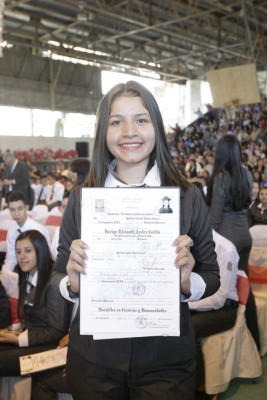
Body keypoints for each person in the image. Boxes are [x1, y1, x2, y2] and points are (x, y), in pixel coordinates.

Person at [53, 81, 220, 400]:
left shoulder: (187, 196)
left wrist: (188, 283)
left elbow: (211, 277)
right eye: (117, 122)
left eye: (141, 119)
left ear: (156, 127)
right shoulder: (82, 199)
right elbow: (59, 275)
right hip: (94, 361)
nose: (130, 131)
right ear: (104, 131)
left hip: (166, 362)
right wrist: (72, 284)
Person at [205, 134, 261, 351]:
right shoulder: (246, 174)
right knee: (245, 290)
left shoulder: (221, 177)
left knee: (228, 294)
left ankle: (235, 348)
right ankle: (254, 342)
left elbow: (215, 218)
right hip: (244, 238)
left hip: (227, 241)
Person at [0, 230, 69, 376]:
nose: (22, 256)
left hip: (49, 347)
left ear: (40, 250)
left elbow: (56, 331)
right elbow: (28, 317)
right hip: (31, 339)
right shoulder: (25, 276)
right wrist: (13, 333)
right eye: (18, 252)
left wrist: (19, 339)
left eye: (27, 251)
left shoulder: (54, 281)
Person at [1, 191, 51, 272]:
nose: (16, 213)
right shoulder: (11, 230)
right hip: (20, 270)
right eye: (12, 210)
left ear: (26, 208)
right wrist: (5, 272)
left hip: (39, 271)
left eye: (20, 208)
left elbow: (46, 258)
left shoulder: (38, 229)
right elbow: (11, 258)